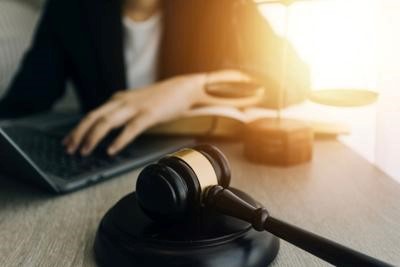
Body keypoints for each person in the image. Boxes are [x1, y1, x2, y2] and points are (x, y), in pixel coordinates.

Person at [0, 0, 310, 156]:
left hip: (199, 157)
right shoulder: (71, 8)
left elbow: (293, 77)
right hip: (105, 156)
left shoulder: (221, 6)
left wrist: (190, 90)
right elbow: (24, 101)